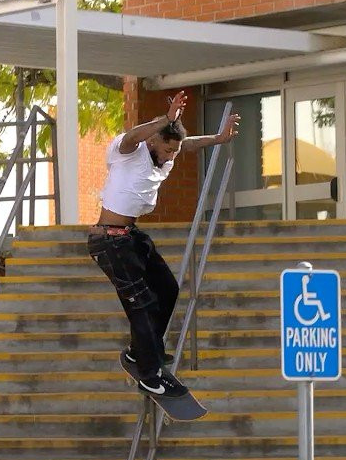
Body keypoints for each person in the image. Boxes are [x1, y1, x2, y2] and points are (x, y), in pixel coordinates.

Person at [86, 90, 241, 399]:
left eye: (174, 152)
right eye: (167, 150)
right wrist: (165, 119)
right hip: (109, 240)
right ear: (154, 141)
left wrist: (219, 139)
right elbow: (132, 135)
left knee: (168, 290)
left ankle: (138, 352)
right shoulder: (129, 151)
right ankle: (149, 373)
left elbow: (190, 143)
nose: (171, 157)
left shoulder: (169, 149)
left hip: (132, 237)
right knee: (142, 303)